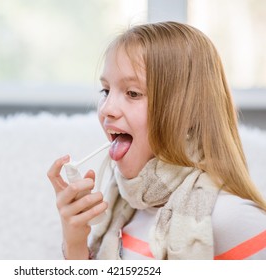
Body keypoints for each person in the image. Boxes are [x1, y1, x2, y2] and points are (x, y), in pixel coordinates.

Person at [47, 21, 266, 260]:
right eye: (106, 91)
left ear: (188, 113)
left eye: (133, 93)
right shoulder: (119, 207)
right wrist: (75, 242)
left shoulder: (231, 220)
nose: (107, 109)